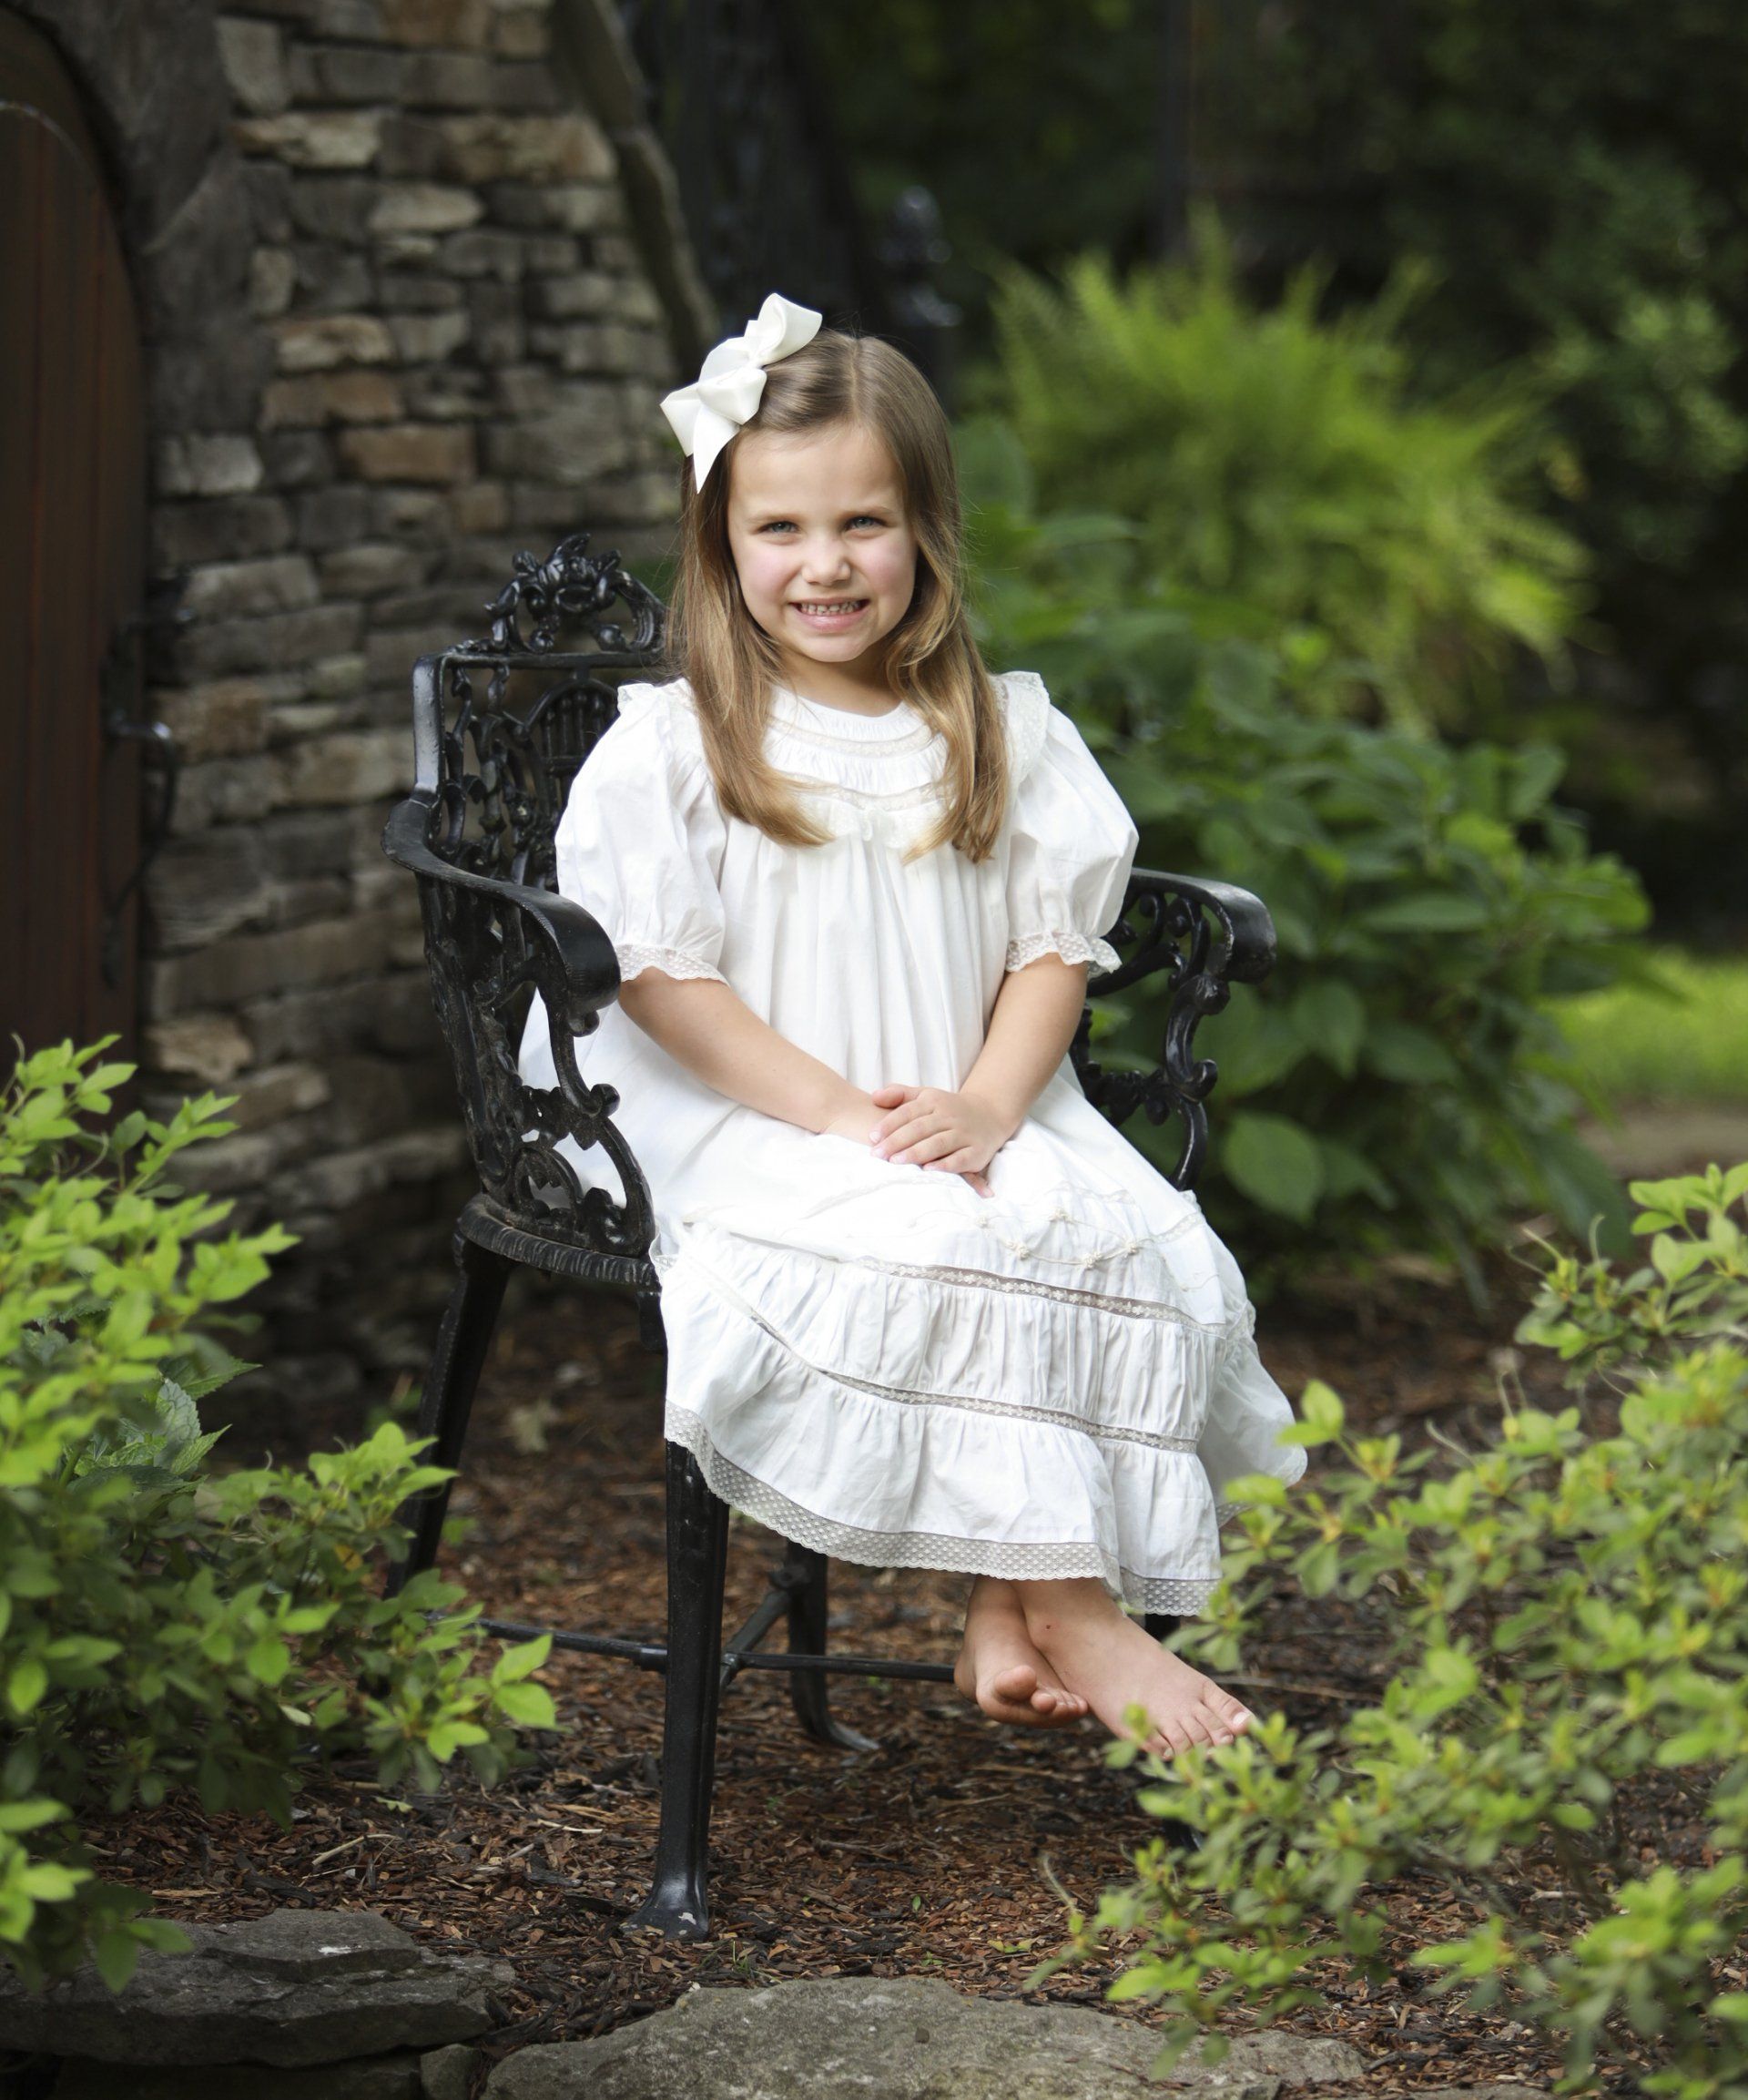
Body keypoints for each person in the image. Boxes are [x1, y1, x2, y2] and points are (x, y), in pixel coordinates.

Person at [518, 291, 1307, 1759]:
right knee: (934, 1240)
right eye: (780, 532)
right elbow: (657, 977)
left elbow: (1048, 954)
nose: (825, 566)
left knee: (1122, 1240)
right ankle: (1072, 1607)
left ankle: (1004, 1604)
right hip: (754, 1110)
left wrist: (1000, 1108)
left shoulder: (1000, 730)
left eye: (863, 524)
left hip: (968, 1095)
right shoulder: (678, 746)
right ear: (721, 543)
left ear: (927, 530)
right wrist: (835, 1112)